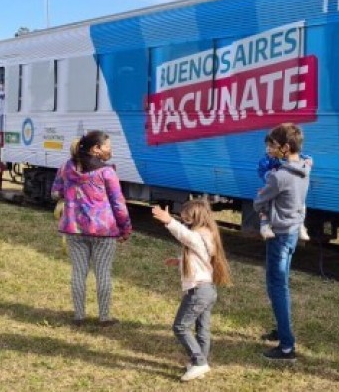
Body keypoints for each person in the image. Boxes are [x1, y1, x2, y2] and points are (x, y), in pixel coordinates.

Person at [51, 130, 132, 326]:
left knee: (78, 272)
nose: (109, 150)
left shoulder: (66, 168)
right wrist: (125, 228)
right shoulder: (107, 172)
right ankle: (104, 317)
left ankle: (79, 316)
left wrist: (70, 195)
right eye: (107, 147)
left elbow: (55, 193)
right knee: (103, 272)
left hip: (74, 228)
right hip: (103, 231)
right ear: (96, 149)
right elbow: (118, 203)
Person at [151, 199, 231, 382]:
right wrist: (179, 260)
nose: (183, 217)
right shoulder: (209, 234)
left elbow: (185, 236)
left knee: (180, 326)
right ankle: (201, 363)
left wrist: (168, 221)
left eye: (186, 216)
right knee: (202, 329)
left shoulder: (196, 235)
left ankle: (199, 362)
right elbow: (199, 255)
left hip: (198, 291)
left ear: (195, 217)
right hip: (208, 290)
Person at [253, 123, 311, 361]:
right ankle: (281, 327)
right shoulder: (305, 168)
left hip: (278, 235)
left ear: (285, 148)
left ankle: (287, 347)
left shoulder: (279, 177)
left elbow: (259, 201)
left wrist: (261, 207)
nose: (269, 148)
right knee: (282, 283)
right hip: (293, 232)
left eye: (273, 145)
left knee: (277, 287)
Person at [256, 139, 312, 241]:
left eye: (272, 147)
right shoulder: (264, 161)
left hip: (285, 188)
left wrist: (308, 159)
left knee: (301, 203)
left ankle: (300, 225)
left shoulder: (282, 157)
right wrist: (271, 175)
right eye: (267, 147)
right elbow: (263, 173)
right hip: (272, 187)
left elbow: (300, 156)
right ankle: (264, 225)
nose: (269, 149)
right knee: (264, 201)